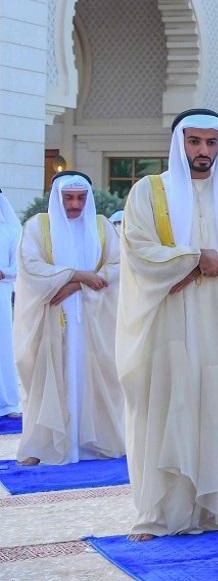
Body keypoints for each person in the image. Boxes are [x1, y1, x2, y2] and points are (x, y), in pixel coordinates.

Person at [118, 109, 218, 539]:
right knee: (170, 406)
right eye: (195, 142)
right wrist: (193, 258)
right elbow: (138, 249)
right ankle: (165, 513)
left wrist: (202, 264)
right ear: (179, 144)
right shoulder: (148, 193)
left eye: (211, 143)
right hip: (169, 326)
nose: (203, 152)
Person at [12, 173, 122, 466]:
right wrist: (80, 275)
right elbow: (31, 267)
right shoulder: (39, 226)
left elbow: (120, 264)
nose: (75, 205)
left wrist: (76, 283)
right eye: (68, 198)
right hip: (52, 322)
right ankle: (46, 447)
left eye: (80, 198)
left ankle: (98, 443)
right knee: (48, 381)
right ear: (56, 197)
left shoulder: (101, 226)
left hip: (94, 322)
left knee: (96, 378)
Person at [0, 189, 21, 418]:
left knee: (2, 346)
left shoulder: (11, 231)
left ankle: (6, 404)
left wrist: (2, 273)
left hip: (1, 296)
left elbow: (21, 269)